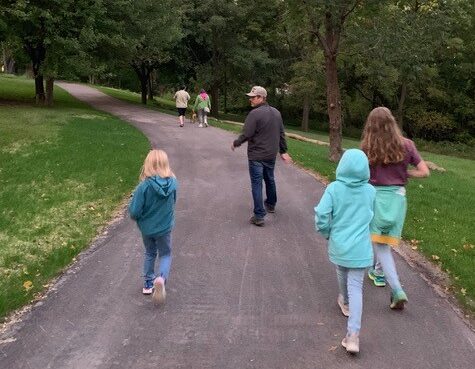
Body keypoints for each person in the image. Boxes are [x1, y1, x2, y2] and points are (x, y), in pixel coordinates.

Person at [361, 107, 429, 309]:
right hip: (398, 198)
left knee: (380, 244)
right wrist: (405, 175)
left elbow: (361, 174)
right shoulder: (407, 145)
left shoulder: (367, 146)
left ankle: (397, 289)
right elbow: (424, 172)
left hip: (375, 196)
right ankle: (378, 272)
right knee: (385, 240)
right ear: (392, 122)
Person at [315, 149, 376, 354]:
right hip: (361, 248)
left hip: (340, 244)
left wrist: (326, 232)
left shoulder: (334, 189)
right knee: (356, 286)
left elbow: (322, 213)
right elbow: (373, 216)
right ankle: (353, 335)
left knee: (341, 270)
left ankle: (345, 300)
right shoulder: (370, 191)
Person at [231, 86, 292, 227]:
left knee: (257, 183)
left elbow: (247, 134)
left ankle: (259, 216)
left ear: (261, 98)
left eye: (253, 97)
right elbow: (282, 133)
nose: (250, 99)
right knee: (269, 178)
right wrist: (283, 151)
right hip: (270, 154)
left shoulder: (254, 114)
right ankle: (270, 204)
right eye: (250, 97)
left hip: (256, 155)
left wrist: (236, 143)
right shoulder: (276, 113)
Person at [128, 149, 178, 304]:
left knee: (150, 252)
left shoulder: (144, 187)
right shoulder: (173, 183)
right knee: (165, 254)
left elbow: (135, 210)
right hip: (164, 227)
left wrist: (137, 217)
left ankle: (148, 284)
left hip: (147, 228)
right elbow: (173, 203)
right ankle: (161, 278)